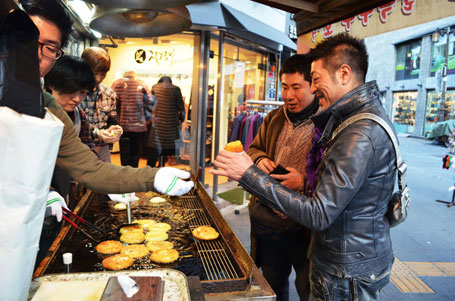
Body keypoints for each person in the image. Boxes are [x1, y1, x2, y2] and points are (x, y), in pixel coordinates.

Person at [211, 33, 397, 300]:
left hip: (345, 267)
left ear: (344, 74)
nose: (313, 87)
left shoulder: (359, 133)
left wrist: (248, 174)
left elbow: (320, 212)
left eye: (315, 79)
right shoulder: (347, 122)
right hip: (338, 257)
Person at [20, 0, 193, 233]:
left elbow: (91, 170)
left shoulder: (50, 109)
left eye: (50, 47)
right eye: (28, 41)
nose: (37, 55)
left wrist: (155, 176)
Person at [247, 54, 319, 301]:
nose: (289, 95)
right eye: (285, 87)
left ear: (313, 85)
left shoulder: (326, 123)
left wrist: (305, 183)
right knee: (272, 286)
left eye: (297, 87)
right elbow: (254, 148)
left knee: (308, 289)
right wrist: (258, 159)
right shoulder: (275, 117)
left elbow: (336, 179)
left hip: (305, 224)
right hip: (270, 222)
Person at [80, 46, 121, 163]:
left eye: (103, 74)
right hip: (80, 149)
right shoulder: (74, 92)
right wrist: (98, 133)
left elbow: (112, 121)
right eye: (95, 73)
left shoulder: (109, 94)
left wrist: (114, 130)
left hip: (102, 150)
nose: (98, 78)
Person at [111, 71, 151, 167]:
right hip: (138, 125)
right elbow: (149, 102)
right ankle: (134, 172)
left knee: (124, 151)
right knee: (135, 151)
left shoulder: (116, 84)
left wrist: (116, 119)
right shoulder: (142, 84)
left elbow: (112, 103)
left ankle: (125, 174)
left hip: (122, 124)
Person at [147, 76, 185, 167]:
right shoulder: (176, 89)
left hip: (157, 123)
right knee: (166, 147)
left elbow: (150, 105)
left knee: (156, 146)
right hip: (171, 125)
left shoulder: (154, 87)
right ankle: (162, 165)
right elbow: (181, 108)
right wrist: (181, 119)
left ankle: (151, 169)